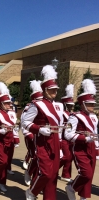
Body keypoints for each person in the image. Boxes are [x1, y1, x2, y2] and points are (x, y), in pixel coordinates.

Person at [22, 65, 63, 200]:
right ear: (45, 90)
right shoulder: (36, 104)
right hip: (43, 142)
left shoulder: (58, 105)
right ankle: (32, 192)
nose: (54, 92)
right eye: (51, 90)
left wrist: (61, 145)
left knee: (53, 175)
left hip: (56, 142)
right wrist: (39, 129)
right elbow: (25, 122)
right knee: (45, 173)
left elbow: (59, 125)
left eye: (55, 90)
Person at [64, 79, 98, 200]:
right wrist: (84, 138)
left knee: (90, 175)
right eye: (89, 104)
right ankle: (71, 188)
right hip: (80, 149)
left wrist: (97, 148)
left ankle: (83, 197)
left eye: (93, 103)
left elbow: (95, 134)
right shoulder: (75, 116)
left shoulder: (94, 117)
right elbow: (67, 134)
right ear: (82, 104)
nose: (92, 106)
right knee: (86, 173)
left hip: (92, 148)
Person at [22, 80, 43, 186]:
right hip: (31, 134)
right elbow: (24, 122)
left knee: (41, 158)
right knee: (35, 156)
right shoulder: (29, 107)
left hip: (43, 135)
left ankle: (36, 177)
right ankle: (29, 172)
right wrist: (28, 134)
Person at [59, 84, 75, 182]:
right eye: (69, 105)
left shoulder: (71, 114)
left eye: (71, 105)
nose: (71, 106)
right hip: (63, 138)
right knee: (66, 156)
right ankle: (54, 169)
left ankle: (66, 174)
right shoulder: (61, 113)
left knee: (70, 156)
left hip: (70, 138)